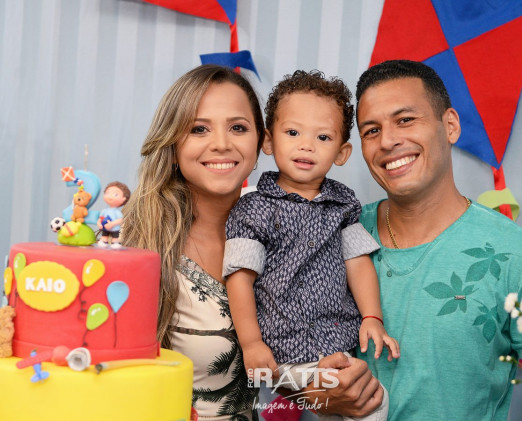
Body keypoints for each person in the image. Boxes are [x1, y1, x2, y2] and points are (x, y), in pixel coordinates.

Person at [122, 65, 385, 420]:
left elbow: (269, 374)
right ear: (172, 141)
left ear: (260, 140)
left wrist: (319, 389)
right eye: (199, 128)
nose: (221, 143)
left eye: (237, 127)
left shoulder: (294, 223)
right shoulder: (138, 244)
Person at [354, 59, 522, 420]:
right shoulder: (337, 237)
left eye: (405, 120)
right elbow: (274, 361)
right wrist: (321, 396)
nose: (387, 141)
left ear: (450, 126)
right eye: (371, 130)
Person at [222, 70, 398, 419]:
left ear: (342, 152)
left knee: (370, 402)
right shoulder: (254, 208)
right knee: (311, 402)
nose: (306, 145)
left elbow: (357, 261)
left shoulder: (342, 205)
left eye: (323, 137)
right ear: (268, 141)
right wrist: (251, 342)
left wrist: (371, 317)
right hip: (280, 351)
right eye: (293, 133)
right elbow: (239, 277)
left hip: (336, 342)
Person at [97, 181, 130, 248]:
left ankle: (115, 243)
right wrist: (99, 223)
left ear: (124, 199)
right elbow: (101, 218)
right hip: (105, 227)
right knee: (104, 236)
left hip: (114, 228)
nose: (110, 197)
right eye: (107, 193)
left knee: (115, 237)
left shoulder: (117, 212)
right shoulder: (104, 211)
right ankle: (104, 242)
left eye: (115, 194)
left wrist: (112, 224)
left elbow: (120, 220)